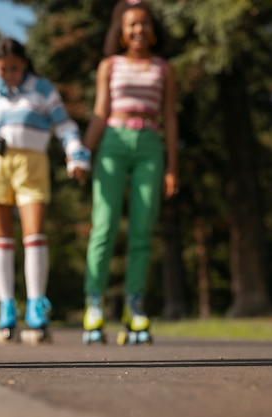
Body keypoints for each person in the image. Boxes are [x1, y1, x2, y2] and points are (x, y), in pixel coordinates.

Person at [0, 38, 91, 342]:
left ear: (25, 63)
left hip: (32, 165)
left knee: (34, 236)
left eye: (14, 67)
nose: (9, 74)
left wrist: (75, 152)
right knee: (1, 239)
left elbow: (64, 125)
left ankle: (37, 307)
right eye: (3, 69)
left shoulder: (42, 89)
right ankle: (6, 309)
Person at [81, 0, 178, 344]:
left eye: (144, 24)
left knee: (142, 230)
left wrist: (172, 167)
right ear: (121, 33)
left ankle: (134, 305)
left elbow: (170, 118)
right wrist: (82, 153)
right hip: (112, 143)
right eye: (131, 25)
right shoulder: (109, 65)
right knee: (104, 226)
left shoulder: (163, 68)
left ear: (152, 31)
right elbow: (99, 113)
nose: (138, 30)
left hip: (150, 145)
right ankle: (94, 303)